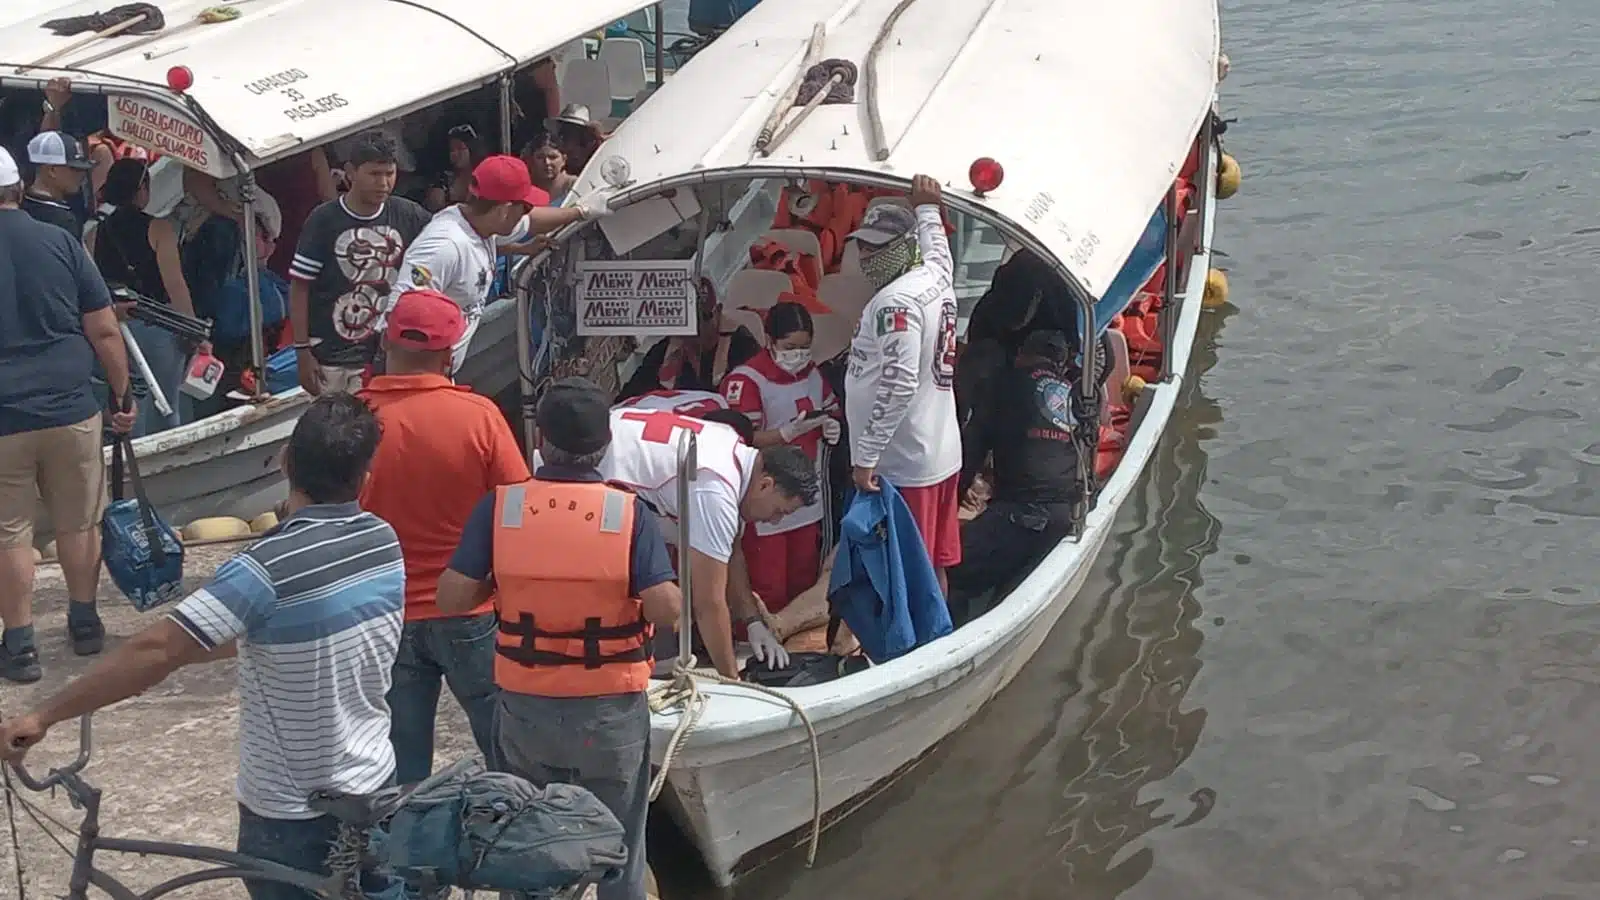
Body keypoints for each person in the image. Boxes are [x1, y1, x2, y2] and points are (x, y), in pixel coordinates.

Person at [0, 395, 404, 900]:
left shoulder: (264, 568)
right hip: (375, 785)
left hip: (291, 813)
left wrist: (41, 718)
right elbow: (282, 633)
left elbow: (157, 650)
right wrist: (187, 645)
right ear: (365, 476)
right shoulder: (383, 541)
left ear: (286, 463)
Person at [434, 377, 681, 900]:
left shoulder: (501, 509)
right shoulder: (628, 513)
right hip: (610, 708)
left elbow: (452, 599)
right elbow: (665, 609)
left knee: (523, 842)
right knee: (619, 849)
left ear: (539, 441)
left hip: (528, 707)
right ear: (605, 445)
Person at [357, 289, 530, 784]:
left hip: (383, 614)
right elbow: (516, 508)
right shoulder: (479, 416)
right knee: (505, 753)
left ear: (387, 340)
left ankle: (404, 855)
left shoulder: (353, 420)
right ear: (450, 353)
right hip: (468, 608)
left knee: (401, 764)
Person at [0, 147, 134, 683]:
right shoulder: (59, 241)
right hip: (69, 405)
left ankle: (21, 646)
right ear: (17, 188)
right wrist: (123, 396)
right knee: (80, 521)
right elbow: (103, 329)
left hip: (3, 419)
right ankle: (84, 623)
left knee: (10, 533)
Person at [596, 402, 816, 677]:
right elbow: (708, 604)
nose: (774, 521)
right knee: (662, 599)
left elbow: (731, 551)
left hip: (604, 435)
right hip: (591, 468)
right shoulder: (717, 492)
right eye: (778, 511)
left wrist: (752, 622)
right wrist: (733, 682)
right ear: (765, 485)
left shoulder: (732, 447)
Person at [844, 175, 963, 595]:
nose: (867, 255)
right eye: (862, 245)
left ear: (904, 248)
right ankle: (936, 634)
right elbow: (939, 249)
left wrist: (866, 457)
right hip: (939, 451)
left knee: (902, 571)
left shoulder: (894, 303)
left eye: (878, 247)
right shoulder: (935, 275)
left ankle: (912, 646)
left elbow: (899, 383)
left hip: (904, 465)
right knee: (933, 563)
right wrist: (928, 207)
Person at [393, 154, 607, 374]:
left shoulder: (480, 224)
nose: (526, 214)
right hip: (415, 376)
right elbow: (399, 314)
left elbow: (532, 222)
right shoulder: (443, 246)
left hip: (442, 372)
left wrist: (581, 211)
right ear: (504, 209)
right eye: (524, 208)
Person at [950, 331, 1085, 616]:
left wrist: (947, 512)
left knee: (944, 567)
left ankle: (945, 630)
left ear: (1021, 355)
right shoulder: (1075, 393)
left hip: (1019, 517)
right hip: (1066, 517)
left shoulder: (1003, 385)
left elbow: (970, 453)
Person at [289, 130, 432, 396]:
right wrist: (302, 350)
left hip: (386, 356)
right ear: (350, 172)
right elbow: (300, 287)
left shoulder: (408, 214)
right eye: (374, 174)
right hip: (331, 358)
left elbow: (447, 239)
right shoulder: (324, 220)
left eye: (389, 173)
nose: (384, 183)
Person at [720, 301, 842, 612]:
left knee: (804, 583)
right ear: (770, 341)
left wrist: (830, 426)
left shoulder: (813, 375)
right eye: (790, 347)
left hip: (806, 500)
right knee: (768, 585)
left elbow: (830, 409)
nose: (798, 355)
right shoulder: (746, 380)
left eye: (805, 348)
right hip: (766, 500)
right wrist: (785, 434)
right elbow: (738, 438)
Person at [89, 158, 204, 436]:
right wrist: (192, 329)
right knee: (168, 402)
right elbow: (175, 285)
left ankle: (133, 452)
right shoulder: (159, 229)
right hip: (158, 326)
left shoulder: (93, 233)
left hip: (116, 326)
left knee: (128, 398)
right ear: (141, 188)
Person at [618, 280, 761, 399]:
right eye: (689, 322)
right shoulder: (665, 350)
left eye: (702, 319)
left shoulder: (742, 345)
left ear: (718, 311)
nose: (695, 329)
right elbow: (630, 396)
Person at [23, 129, 94, 235]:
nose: (81, 175)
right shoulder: (63, 221)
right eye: (75, 169)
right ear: (52, 170)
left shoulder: (17, 207)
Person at [423, 123, 489, 212]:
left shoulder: (485, 177)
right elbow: (433, 207)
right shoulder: (443, 180)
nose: (455, 154)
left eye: (460, 148)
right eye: (451, 150)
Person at [522, 132, 577, 207]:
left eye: (553, 157)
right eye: (540, 157)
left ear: (564, 159)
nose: (547, 162)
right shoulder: (526, 186)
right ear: (532, 159)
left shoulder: (574, 184)